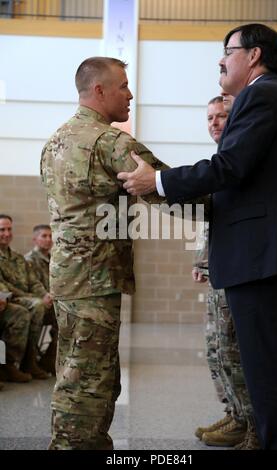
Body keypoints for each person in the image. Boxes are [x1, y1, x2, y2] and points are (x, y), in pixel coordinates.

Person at [118, 24, 277, 449]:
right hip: (260, 256)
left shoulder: (264, 92)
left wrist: (159, 181)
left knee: (267, 371)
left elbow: (231, 166)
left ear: (253, 55)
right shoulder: (269, 95)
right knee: (266, 367)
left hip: (260, 259)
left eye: (227, 51)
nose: (220, 60)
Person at [40, 57, 169, 450]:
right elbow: (170, 191)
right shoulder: (112, 143)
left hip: (66, 278)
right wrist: (233, 194)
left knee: (73, 370)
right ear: (99, 91)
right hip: (94, 280)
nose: (130, 94)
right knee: (89, 382)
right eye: (123, 86)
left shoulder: (55, 142)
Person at [193, 95, 259, 449]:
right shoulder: (224, 161)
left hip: (242, 273)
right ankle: (237, 414)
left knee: (235, 350)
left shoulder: (241, 159)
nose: (214, 122)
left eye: (221, 116)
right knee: (216, 348)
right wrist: (203, 259)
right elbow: (220, 220)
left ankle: (254, 425)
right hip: (220, 268)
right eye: (209, 118)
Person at [0, 214, 50, 380]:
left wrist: (45, 295)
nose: (7, 233)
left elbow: (33, 282)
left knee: (55, 309)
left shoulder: (18, 259)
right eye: (2, 230)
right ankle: (11, 364)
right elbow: (6, 287)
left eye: (9, 229)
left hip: (23, 299)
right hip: (8, 299)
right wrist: (35, 298)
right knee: (35, 306)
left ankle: (38, 359)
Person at [25, 225, 57, 375]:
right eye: (44, 236)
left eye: (50, 236)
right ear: (35, 239)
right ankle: (31, 361)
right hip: (38, 303)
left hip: (51, 304)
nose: (48, 239)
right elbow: (31, 285)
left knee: (69, 317)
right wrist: (45, 296)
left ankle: (50, 359)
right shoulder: (29, 260)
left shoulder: (52, 259)